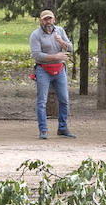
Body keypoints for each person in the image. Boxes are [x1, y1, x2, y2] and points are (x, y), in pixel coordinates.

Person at [29, 9, 75, 139]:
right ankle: (43, 130)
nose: (48, 21)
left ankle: (63, 128)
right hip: (43, 69)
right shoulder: (35, 35)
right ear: (40, 20)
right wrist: (56, 56)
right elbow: (37, 54)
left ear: (54, 19)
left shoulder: (60, 31)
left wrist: (61, 42)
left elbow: (70, 48)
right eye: (45, 19)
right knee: (42, 101)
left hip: (59, 69)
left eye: (50, 19)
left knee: (64, 100)